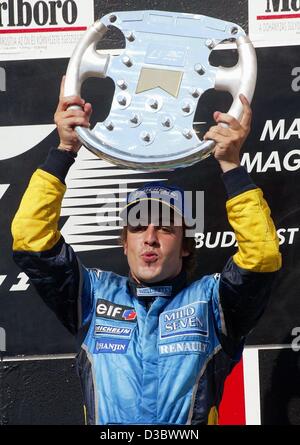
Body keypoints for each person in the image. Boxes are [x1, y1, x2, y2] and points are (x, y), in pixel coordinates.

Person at [11, 77, 281, 425]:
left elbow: (261, 256)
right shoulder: (91, 296)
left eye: (165, 228)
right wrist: (63, 151)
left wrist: (230, 164)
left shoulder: (213, 302)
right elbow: (30, 238)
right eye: (138, 227)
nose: (150, 237)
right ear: (124, 244)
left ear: (185, 246)